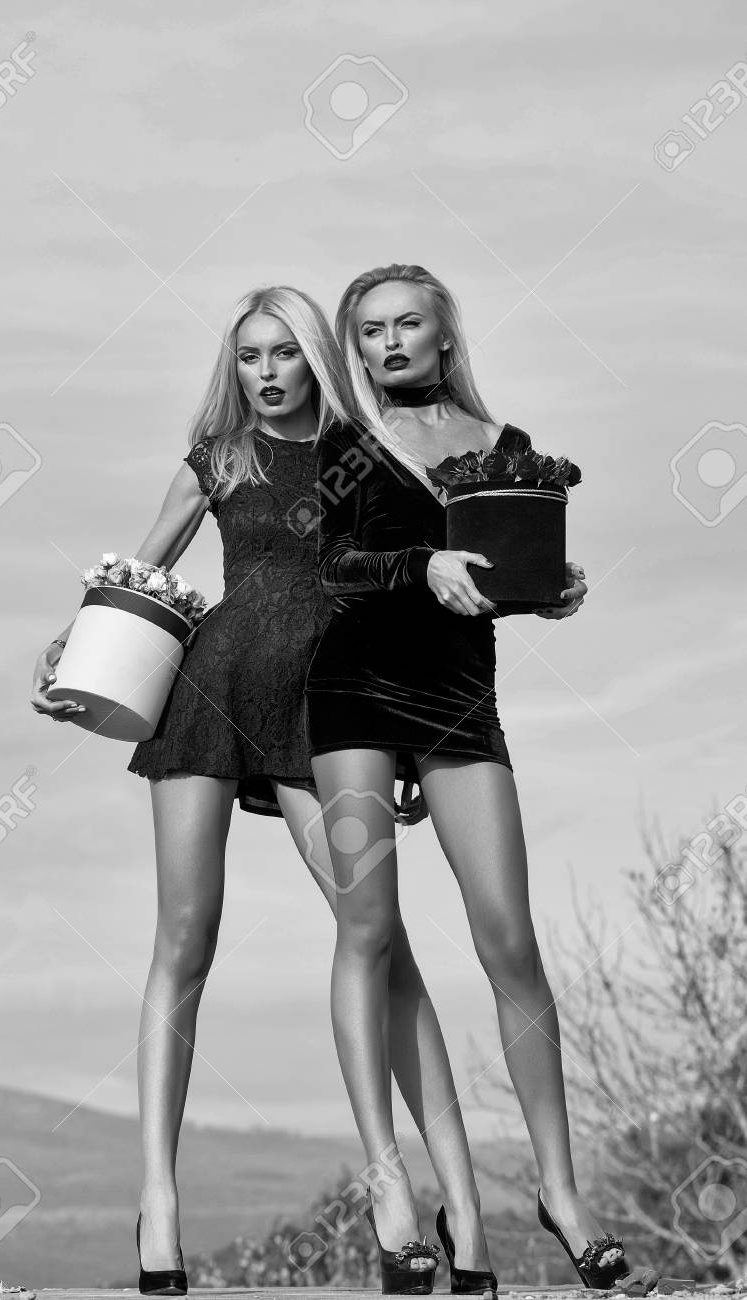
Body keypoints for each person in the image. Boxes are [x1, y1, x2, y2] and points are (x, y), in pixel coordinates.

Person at [30, 285, 467, 1296]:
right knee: (183, 944)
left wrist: (407, 736)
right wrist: (76, 640)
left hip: (329, 711)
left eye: (283, 353)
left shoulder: (366, 455)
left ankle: (435, 1193)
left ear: (315, 358)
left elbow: (406, 594)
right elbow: (139, 570)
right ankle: (160, 1203)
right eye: (247, 356)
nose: (265, 372)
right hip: (210, 692)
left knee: (380, 940)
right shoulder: (217, 460)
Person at [304, 262, 651, 1296]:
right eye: (367, 332)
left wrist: (547, 591)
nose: (387, 344)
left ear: (443, 336)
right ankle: (393, 1192)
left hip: (456, 702)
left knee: (511, 942)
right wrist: (419, 567)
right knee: (368, 931)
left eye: (406, 324)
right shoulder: (343, 447)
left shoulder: (508, 454)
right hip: (352, 703)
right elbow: (330, 567)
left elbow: (506, 575)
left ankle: (560, 1191)